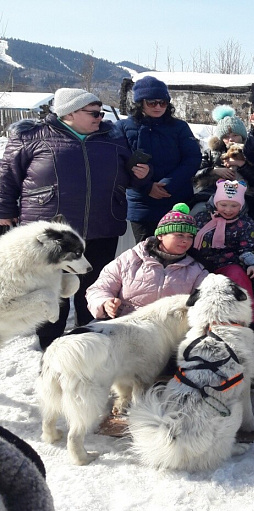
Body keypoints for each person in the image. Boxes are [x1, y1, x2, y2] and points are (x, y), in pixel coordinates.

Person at [0, 87, 152, 349]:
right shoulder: (31, 137)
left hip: (102, 224)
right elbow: (7, 176)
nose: (99, 117)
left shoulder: (112, 138)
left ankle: (87, 337)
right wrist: (3, 210)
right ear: (69, 112)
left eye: (101, 112)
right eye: (93, 112)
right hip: (52, 236)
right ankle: (51, 346)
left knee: (92, 286)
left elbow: (129, 177)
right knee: (50, 290)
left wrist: (143, 175)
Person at [115, 75, 202, 242]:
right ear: (140, 103)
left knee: (179, 251)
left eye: (162, 102)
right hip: (142, 203)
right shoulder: (123, 127)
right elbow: (118, 164)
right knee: (147, 254)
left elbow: (192, 158)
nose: (158, 107)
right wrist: (147, 187)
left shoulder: (179, 127)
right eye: (152, 103)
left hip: (176, 198)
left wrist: (169, 184)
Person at [86, 203, 208, 319]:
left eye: (190, 236)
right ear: (160, 235)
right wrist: (105, 303)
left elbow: (206, 302)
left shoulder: (196, 270)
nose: (185, 241)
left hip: (169, 335)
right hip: (124, 327)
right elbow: (99, 288)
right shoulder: (130, 258)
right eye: (180, 235)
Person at [191, 179, 254, 325]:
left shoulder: (246, 225)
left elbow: (247, 248)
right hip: (201, 261)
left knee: (239, 277)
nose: (228, 210)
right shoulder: (201, 218)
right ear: (215, 203)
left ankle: (247, 319)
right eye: (223, 205)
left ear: (241, 206)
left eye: (234, 205)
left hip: (229, 262)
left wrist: (252, 264)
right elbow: (189, 239)